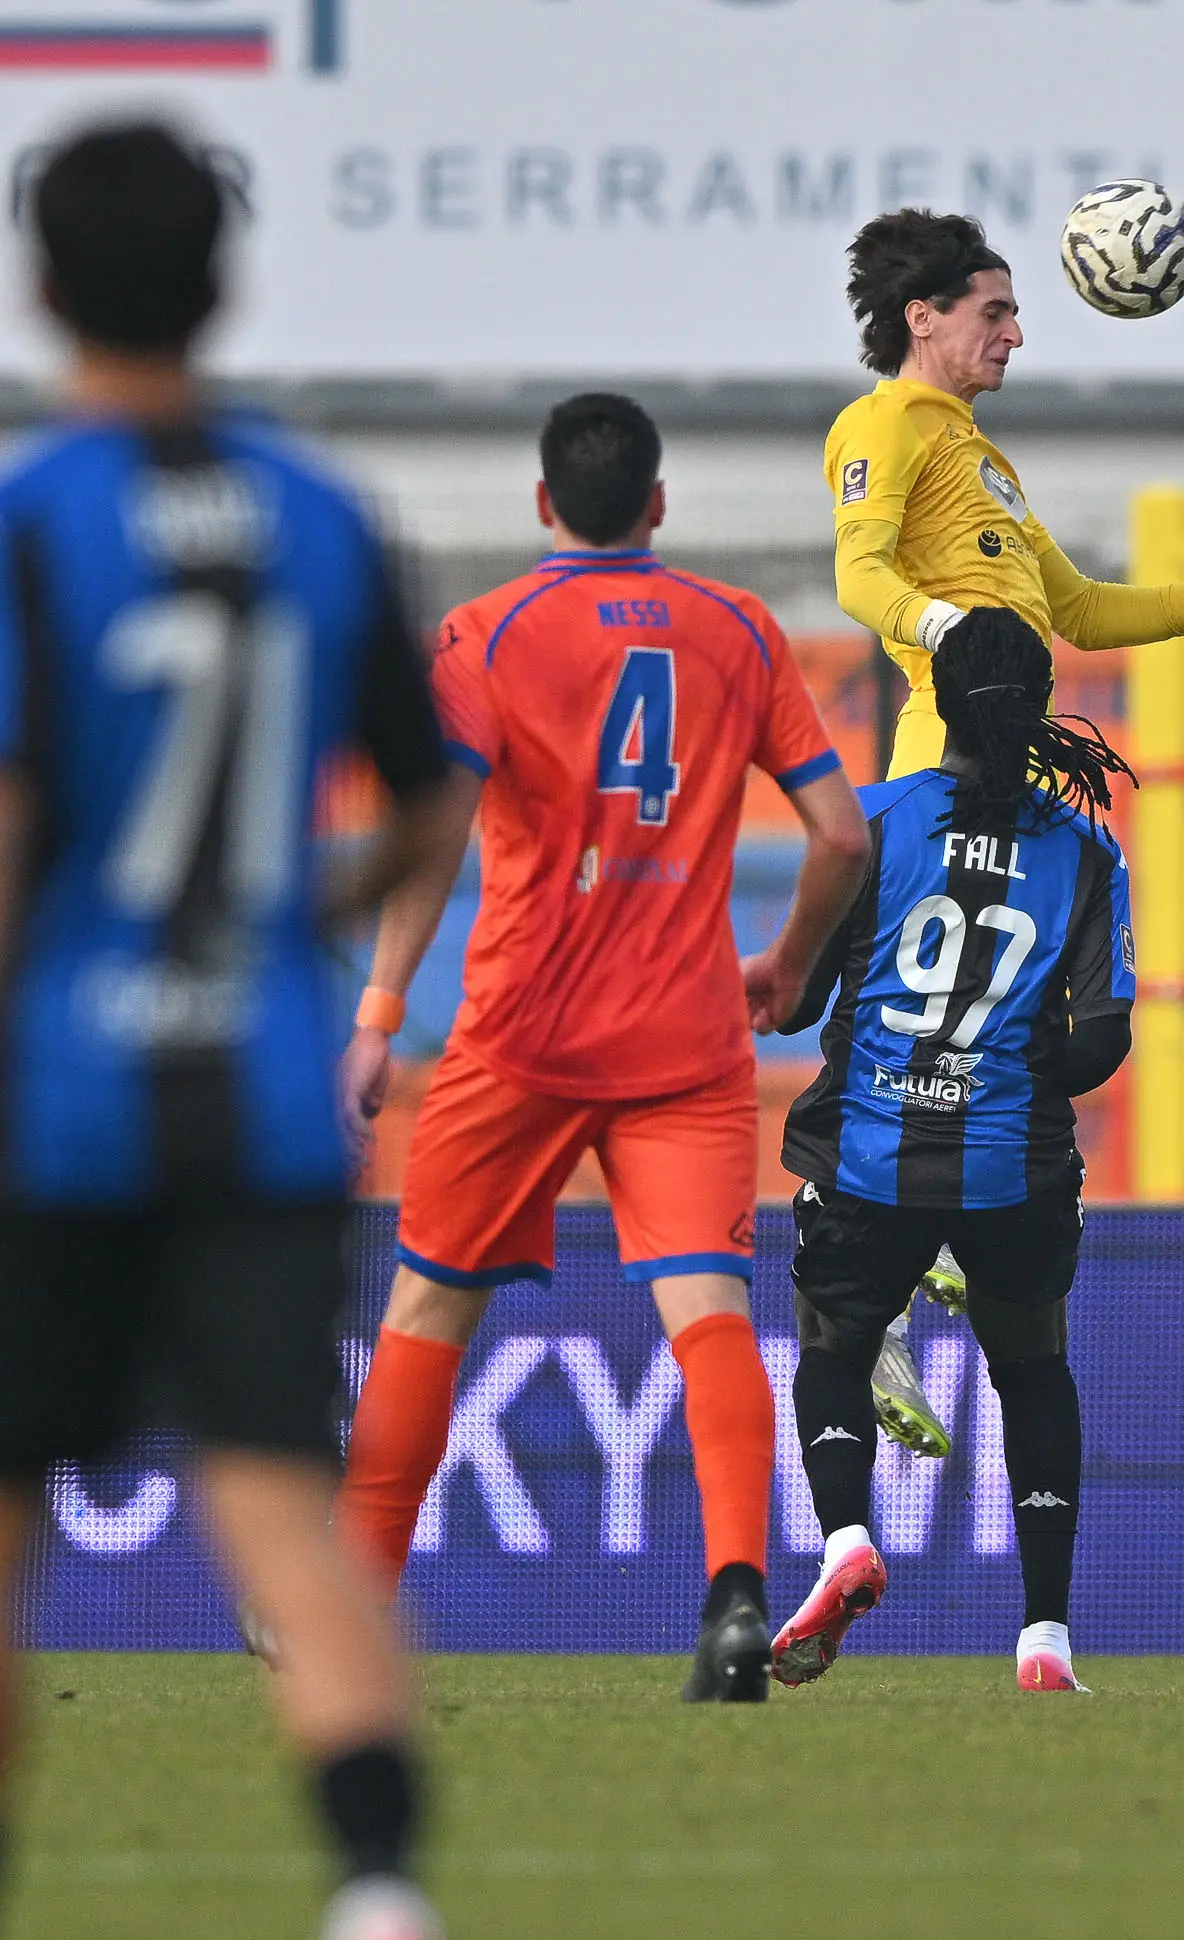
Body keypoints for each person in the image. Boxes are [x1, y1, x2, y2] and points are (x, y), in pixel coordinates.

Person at [0, 123, 470, 1940]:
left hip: (45, 1101)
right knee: (283, 1504)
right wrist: (295, 906)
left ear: (35, 286)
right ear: (227, 279)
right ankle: (375, 1886)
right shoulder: (322, 511)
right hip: (268, 1100)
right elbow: (441, 800)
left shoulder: (9, 519)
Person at [335, 391, 870, 1703]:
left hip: (517, 1033)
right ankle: (738, 1594)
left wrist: (378, 1012)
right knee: (710, 1320)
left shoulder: (486, 632)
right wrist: (789, 965)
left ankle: (344, 1605)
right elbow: (844, 835)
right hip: (686, 1040)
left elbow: (434, 830)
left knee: (426, 1312)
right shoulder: (738, 629)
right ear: (659, 504)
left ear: (540, 504)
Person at [826, 206, 1184, 1452]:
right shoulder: (885, 424)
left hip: (1013, 774)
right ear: (924, 318)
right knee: (915, 1030)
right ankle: (867, 1297)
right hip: (937, 764)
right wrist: (955, 641)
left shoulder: (981, 461)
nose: (1016, 331)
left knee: (990, 1027)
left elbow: (1086, 611)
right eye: (995, 310)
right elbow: (859, 574)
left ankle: (924, 1243)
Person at [768, 606, 1135, 1695]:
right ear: (1037, 712)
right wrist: (1015, 1073)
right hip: (1011, 1166)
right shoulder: (1084, 847)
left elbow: (798, 1007)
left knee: (834, 1350)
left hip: (873, 1157)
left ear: (937, 700)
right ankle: (1044, 1639)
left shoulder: (871, 822)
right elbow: (1105, 1037)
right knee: (1032, 1373)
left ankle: (843, 1541)